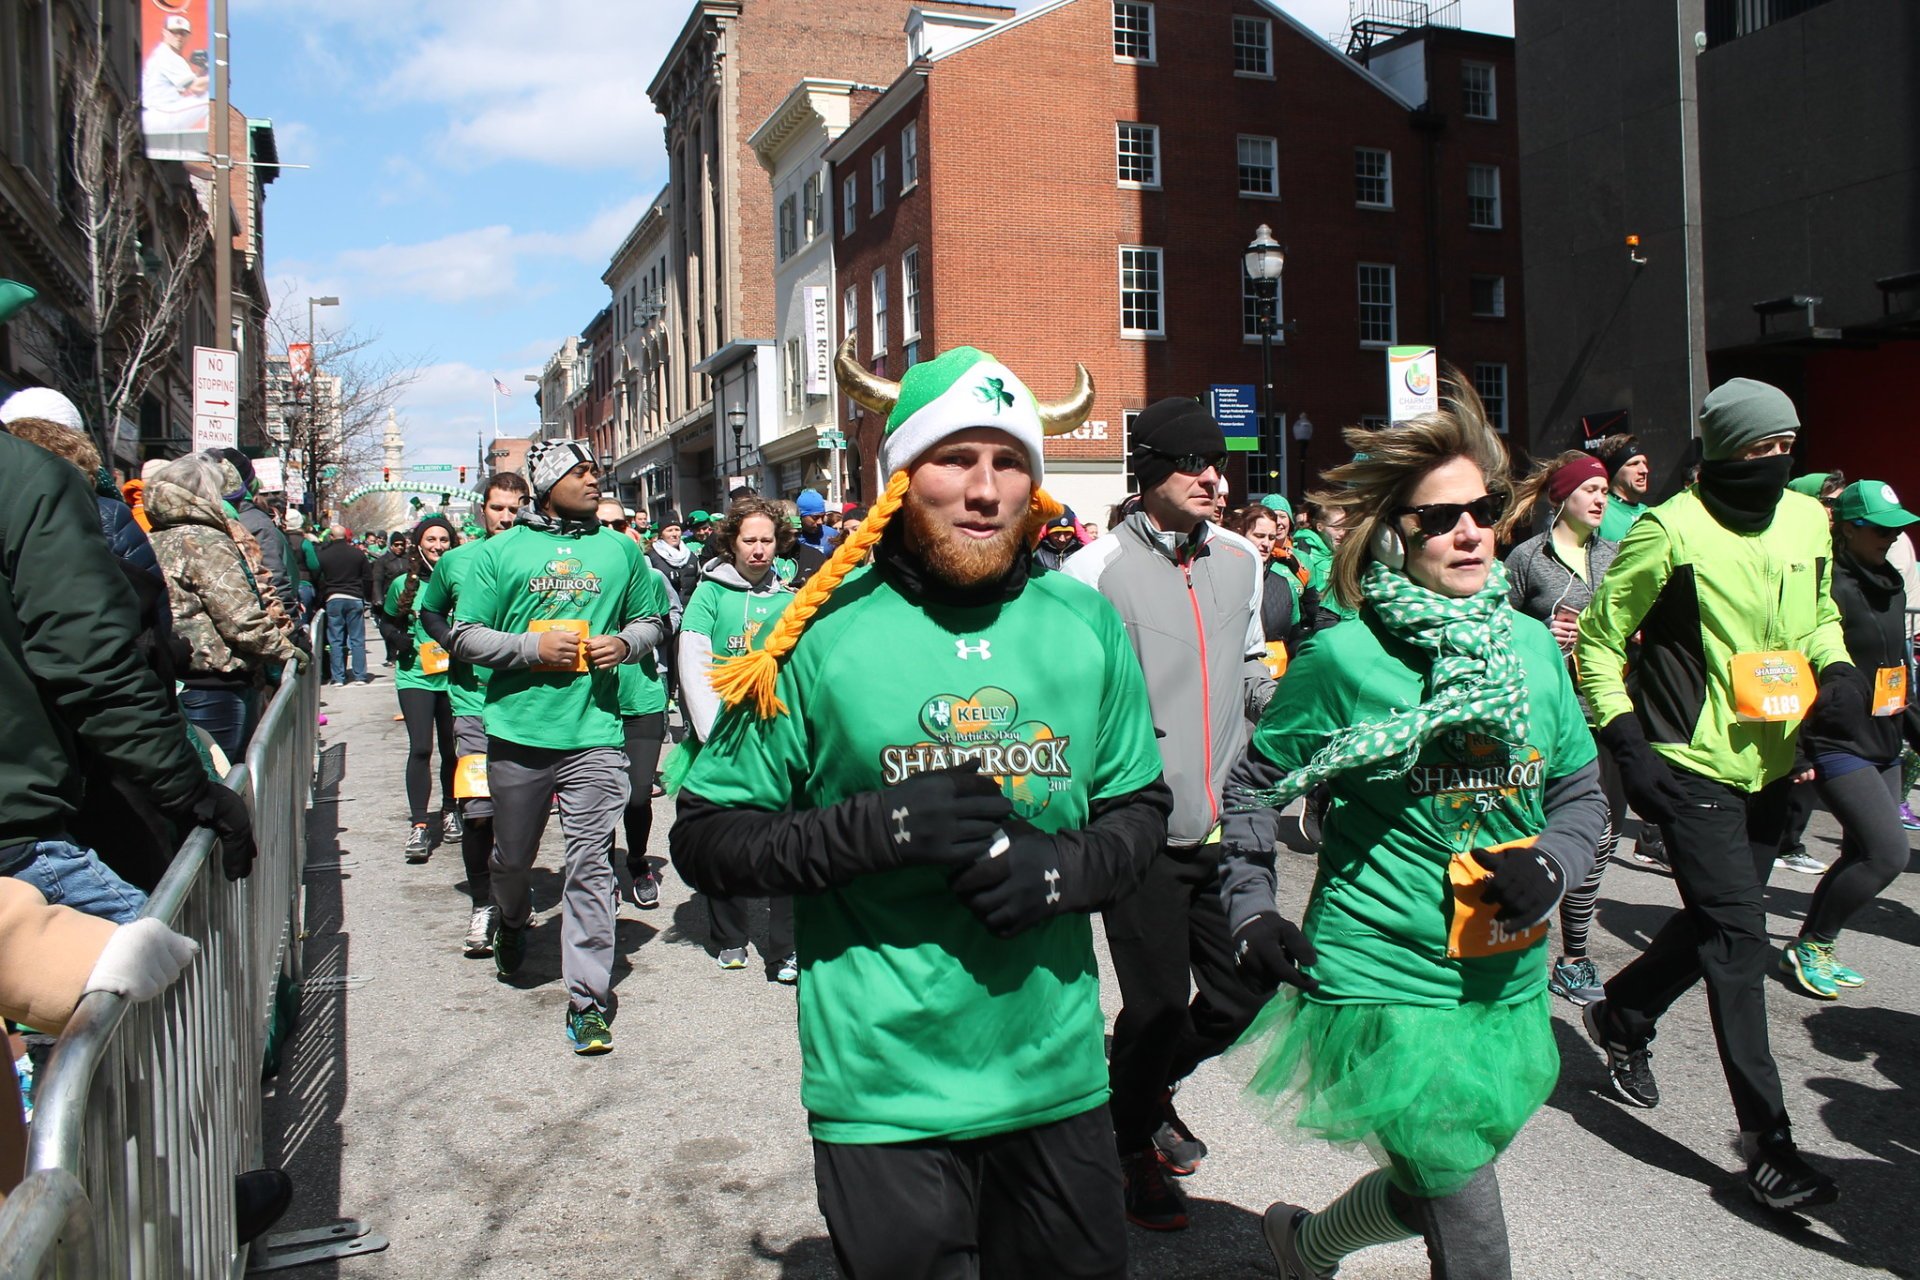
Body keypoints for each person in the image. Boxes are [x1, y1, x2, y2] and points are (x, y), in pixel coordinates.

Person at [671, 342, 1168, 1279]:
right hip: (882, 1089)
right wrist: (877, 829)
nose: (985, 489)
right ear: (900, 477)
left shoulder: (1084, 620)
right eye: (956, 458)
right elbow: (704, 836)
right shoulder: (817, 630)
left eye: (1010, 461)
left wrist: (1060, 873)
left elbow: (1140, 810)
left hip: (1052, 1079)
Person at [1219, 391, 1607, 1280]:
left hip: (1505, 974)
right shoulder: (1348, 657)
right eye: (1440, 518)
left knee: (1437, 1180)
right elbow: (1252, 784)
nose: (1469, 532)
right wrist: (1250, 908)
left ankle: (1303, 1245)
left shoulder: (1532, 648)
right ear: (1396, 531)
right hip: (1385, 971)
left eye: (1482, 511)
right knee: (1472, 1226)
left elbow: (1581, 792)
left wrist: (1553, 860)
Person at [1576, 377, 1857, 1210]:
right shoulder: (1672, 528)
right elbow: (1598, 638)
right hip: (1688, 764)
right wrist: (1628, 742)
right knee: (1740, 945)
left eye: (1788, 449)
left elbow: (1815, 616)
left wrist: (1834, 667)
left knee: (1713, 920)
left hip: (1774, 761)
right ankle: (1767, 1143)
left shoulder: (1809, 518)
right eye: (1763, 449)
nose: (1778, 462)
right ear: (1727, 450)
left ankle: (1622, 1013)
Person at [1063, 397, 1273, 1229]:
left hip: (1231, 826)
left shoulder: (1241, 561)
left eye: (1218, 464)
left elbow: (1251, 667)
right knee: (1153, 1007)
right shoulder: (1091, 572)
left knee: (1243, 993)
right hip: (1144, 829)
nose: (1214, 479)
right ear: (1147, 471)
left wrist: (1293, 707)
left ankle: (1138, 1087)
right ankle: (1128, 1148)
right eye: (1193, 463)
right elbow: (1075, 708)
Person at [447, 441, 670, 1056]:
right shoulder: (501, 553)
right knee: (513, 860)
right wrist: (528, 650)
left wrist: (625, 645)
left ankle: (588, 1001)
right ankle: (512, 919)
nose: (594, 479)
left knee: (590, 868)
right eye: (580, 472)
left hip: (595, 735)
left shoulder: (621, 549)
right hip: (518, 736)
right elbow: (464, 636)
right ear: (548, 484)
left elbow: (653, 622)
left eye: (595, 470)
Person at [0, 429, 256, 927]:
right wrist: (191, 790)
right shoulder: (27, 479)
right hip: (27, 826)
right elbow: (91, 659)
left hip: (68, 782)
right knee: (169, 980)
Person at [1777, 480, 1920, 998]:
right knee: (1888, 854)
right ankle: (1812, 943)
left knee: (1861, 850)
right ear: (1848, 527)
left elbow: (1896, 666)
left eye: (1897, 528)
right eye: (1880, 529)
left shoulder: (1890, 582)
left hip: (1885, 735)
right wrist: (1796, 747)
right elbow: (1795, 662)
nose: (1891, 538)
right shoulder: (1826, 583)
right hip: (1836, 740)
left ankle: (1813, 944)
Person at [1499, 451, 1622, 1006]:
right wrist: (1543, 634)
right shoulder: (1528, 559)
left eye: (1604, 490)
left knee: (1603, 834)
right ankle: (1557, 950)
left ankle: (1573, 951)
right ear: (1561, 497)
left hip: (1606, 709)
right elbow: (1496, 627)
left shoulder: (1618, 557)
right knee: (1554, 830)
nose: (1600, 499)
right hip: (1548, 714)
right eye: (1590, 489)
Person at [674, 498, 798, 978]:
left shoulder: (791, 597)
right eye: (750, 540)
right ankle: (729, 935)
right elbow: (694, 657)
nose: (760, 549)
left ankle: (784, 948)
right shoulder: (709, 594)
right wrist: (711, 730)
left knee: (786, 841)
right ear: (731, 543)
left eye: (768, 540)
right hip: (722, 737)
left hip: (775, 737)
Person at [418, 472, 529, 955]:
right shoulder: (457, 562)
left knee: (521, 815)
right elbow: (430, 611)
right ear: (482, 510)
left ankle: (515, 903)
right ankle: (483, 905)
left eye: (514, 507)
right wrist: (452, 642)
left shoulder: (541, 556)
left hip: (530, 705)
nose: (506, 516)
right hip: (473, 706)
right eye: (498, 507)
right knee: (478, 812)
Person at [145, 458, 305, 762]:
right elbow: (240, 619)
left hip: (179, 675)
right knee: (230, 778)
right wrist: (284, 650)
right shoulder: (206, 541)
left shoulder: (155, 537)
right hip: (217, 682)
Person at [386, 516, 461, 863]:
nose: (437, 545)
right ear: (419, 544)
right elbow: (386, 618)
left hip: (454, 676)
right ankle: (419, 824)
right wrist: (398, 639)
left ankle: (450, 810)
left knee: (451, 749)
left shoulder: (463, 579)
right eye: (431, 539)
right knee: (420, 748)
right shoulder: (404, 583)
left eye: (444, 539)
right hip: (415, 676)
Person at [316, 524, 374, 686]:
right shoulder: (358, 554)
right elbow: (368, 577)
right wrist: (366, 597)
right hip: (355, 597)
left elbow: (318, 578)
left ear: (332, 537)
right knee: (357, 639)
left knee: (336, 640)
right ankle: (360, 676)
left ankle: (338, 677)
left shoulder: (323, 555)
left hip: (333, 598)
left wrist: (321, 598)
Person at [372, 532, 410, 666]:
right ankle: (391, 656)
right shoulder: (383, 561)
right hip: (389, 598)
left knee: (406, 626)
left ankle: (405, 650)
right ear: (391, 545)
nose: (399, 547)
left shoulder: (409, 559)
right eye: (396, 545)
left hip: (408, 598)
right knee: (390, 629)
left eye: (402, 545)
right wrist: (378, 599)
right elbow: (377, 580)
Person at [794, 488, 837, 553]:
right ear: (800, 515)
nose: (820, 522)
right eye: (815, 517)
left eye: (822, 516)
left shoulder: (833, 536)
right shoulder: (790, 538)